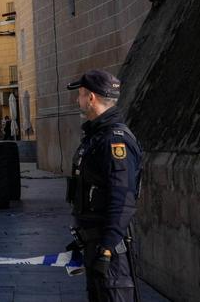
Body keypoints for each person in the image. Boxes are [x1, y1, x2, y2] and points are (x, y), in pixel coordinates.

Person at [65, 69, 142, 301]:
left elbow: (123, 199)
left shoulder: (114, 140)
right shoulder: (96, 136)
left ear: (91, 98)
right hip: (95, 244)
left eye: (80, 95)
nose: (77, 100)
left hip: (110, 252)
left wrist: (107, 248)